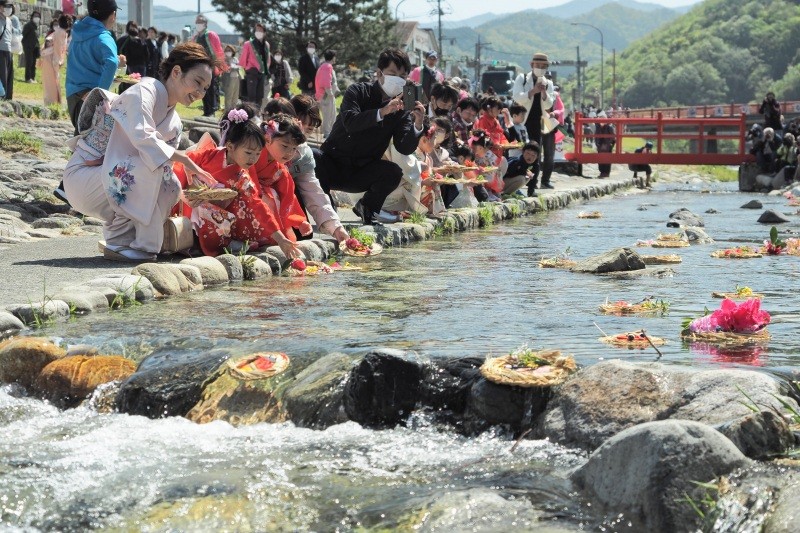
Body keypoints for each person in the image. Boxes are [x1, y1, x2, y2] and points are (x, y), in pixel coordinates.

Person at [62, 42, 217, 262]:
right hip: (84, 178)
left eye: (206, 88)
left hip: (111, 176)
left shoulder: (174, 122)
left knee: (171, 185)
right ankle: (134, 244)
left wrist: (188, 186)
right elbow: (143, 137)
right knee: (150, 169)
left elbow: (162, 168)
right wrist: (184, 158)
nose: (200, 93)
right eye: (197, 82)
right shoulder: (144, 91)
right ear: (176, 72)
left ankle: (123, 242)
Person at [174, 104, 308, 257]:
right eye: (249, 152)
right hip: (189, 202)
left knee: (247, 205)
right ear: (230, 146)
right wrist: (189, 171)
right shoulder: (210, 155)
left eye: (258, 153)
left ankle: (223, 242)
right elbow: (181, 162)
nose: (253, 159)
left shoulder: (242, 176)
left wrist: (281, 238)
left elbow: (258, 206)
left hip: (215, 212)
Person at [314, 47, 425, 224]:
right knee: (312, 157)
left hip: (362, 170)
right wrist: (382, 112)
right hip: (333, 163)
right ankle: (327, 209)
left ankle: (367, 207)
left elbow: (404, 147)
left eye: (403, 76)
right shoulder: (357, 91)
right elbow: (350, 121)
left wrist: (418, 125)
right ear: (379, 73)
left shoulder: (402, 109)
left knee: (393, 172)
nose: (398, 79)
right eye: (393, 73)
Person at [57, 0, 124, 204]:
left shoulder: (78, 31)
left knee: (84, 141)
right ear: (112, 15)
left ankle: (68, 189)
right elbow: (110, 62)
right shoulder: (104, 35)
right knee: (94, 145)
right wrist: (101, 92)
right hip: (91, 96)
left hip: (73, 94)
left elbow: (90, 60)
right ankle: (67, 189)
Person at [262, 95, 349, 243]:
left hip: (280, 200)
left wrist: (335, 227)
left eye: (308, 129)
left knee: (303, 235)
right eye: (299, 123)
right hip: (254, 197)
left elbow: (311, 191)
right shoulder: (258, 143)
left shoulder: (300, 155)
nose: (300, 132)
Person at [512, 52, 556, 192]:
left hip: (539, 122)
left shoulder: (548, 83)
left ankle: (533, 185)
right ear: (532, 65)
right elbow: (517, 97)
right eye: (538, 65)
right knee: (518, 151)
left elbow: (549, 104)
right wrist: (532, 91)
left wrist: (543, 93)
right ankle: (515, 181)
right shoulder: (522, 78)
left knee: (536, 153)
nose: (540, 68)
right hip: (522, 121)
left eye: (543, 66)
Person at [193, 14, 226, 116]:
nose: (198, 24)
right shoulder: (196, 37)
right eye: (197, 22)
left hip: (211, 66)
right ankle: (206, 110)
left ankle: (212, 110)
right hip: (200, 67)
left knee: (211, 89)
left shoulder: (211, 34)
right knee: (202, 89)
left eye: (201, 22)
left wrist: (221, 65)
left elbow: (218, 50)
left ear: (205, 24)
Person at [469, 129, 508, 201]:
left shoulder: (489, 156)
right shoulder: (476, 154)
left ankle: (490, 193)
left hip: (488, 177)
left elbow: (490, 172)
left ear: (483, 147)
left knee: (488, 177)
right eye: (473, 147)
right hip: (479, 175)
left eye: (475, 148)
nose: (473, 150)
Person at [41, 14, 70, 106]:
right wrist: (58, 61)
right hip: (52, 57)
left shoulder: (60, 31)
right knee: (52, 81)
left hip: (50, 56)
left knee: (51, 80)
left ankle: (53, 102)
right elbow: (58, 47)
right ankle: (52, 102)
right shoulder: (61, 32)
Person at [239, 22, 269, 106]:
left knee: (260, 96)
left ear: (264, 32)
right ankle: (250, 113)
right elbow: (243, 58)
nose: (258, 32)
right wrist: (246, 70)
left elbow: (268, 59)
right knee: (251, 96)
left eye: (261, 30)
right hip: (251, 71)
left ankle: (258, 114)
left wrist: (266, 70)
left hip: (262, 72)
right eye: (257, 30)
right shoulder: (248, 44)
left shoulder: (266, 45)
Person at [0, 0, 21, 100]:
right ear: (0, 7)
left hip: (8, 51)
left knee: (9, 76)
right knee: (3, 76)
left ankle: (8, 99)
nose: (9, 8)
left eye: (10, 6)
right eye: (7, 6)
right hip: (1, 50)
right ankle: (2, 99)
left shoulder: (9, 20)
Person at [315, 49, 337, 138]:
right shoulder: (327, 66)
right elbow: (326, 82)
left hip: (322, 95)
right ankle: (327, 134)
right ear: (333, 57)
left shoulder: (323, 66)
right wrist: (330, 93)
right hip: (326, 95)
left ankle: (327, 132)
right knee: (329, 115)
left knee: (328, 115)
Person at [219, 44, 240, 113]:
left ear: (233, 51)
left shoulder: (235, 59)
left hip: (236, 78)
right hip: (228, 79)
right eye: (227, 50)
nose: (228, 51)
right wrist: (234, 67)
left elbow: (239, 67)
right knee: (229, 96)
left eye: (230, 50)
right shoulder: (224, 59)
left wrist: (233, 67)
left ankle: (234, 111)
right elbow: (226, 68)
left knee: (235, 96)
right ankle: (227, 112)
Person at [594, 111, 615, 178]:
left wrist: (608, 145)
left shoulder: (609, 127)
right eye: (600, 119)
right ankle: (602, 172)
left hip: (608, 146)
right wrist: (598, 144)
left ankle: (606, 172)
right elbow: (596, 137)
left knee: (607, 159)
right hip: (600, 145)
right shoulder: (598, 127)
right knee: (600, 159)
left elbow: (613, 138)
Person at [21, 10, 40, 83]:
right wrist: (25, 46)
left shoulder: (36, 26)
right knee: (29, 62)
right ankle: (27, 78)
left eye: (38, 16)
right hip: (28, 47)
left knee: (33, 63)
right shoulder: (28, 25)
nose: (37, 18)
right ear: (32, 17)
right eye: (35, 16)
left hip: (35, 48)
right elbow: (23, 36)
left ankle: (32, 77)